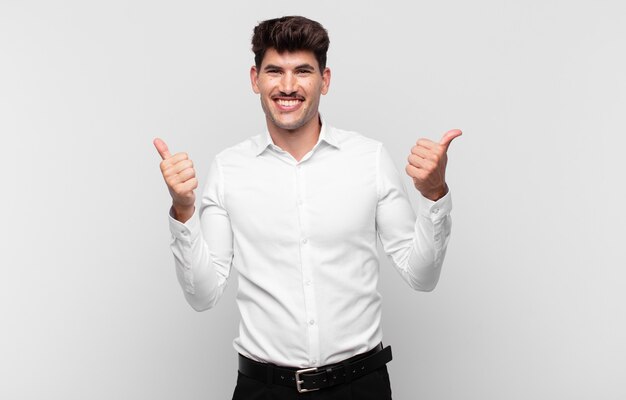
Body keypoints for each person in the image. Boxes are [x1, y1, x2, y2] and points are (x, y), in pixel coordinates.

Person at [153, 15, 461, 400]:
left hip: (360, 388)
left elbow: (422, 275)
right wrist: (183, 210)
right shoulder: (228, 169)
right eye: (274, 71)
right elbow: (202, 295)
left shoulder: (369, 159)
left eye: (302, 71)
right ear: (255, 79)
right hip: (264, 391)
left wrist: (434, 194)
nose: (287, 86)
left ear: (325, 80)